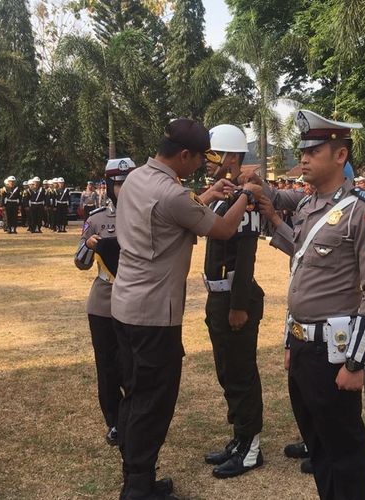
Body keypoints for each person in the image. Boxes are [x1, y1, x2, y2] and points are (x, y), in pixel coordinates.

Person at [110, 118, 264, 500]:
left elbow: (184, 214)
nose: (202, 166)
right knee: (153, 402)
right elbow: (225, 230)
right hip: (154, 314)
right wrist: (247, 192)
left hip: (126, 305)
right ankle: (138, 487)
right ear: (183, 154)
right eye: (198, 160)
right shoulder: (173, 193)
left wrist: (211, 193)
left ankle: (137, 474)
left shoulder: (139, 179)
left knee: (134, 394)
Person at [261, 109, 365, 500]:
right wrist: (289, 339)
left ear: (340, 156)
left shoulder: (362, 209)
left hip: (334, 353)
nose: (304, 158)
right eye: (303, 150)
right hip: (303, 346)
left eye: (314, 150)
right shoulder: (307, 206)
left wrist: (354, 363)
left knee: (345, 452)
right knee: (317, 446)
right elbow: (301, 269)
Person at [200, 124, 266, 479]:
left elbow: (245, 256)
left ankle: (250, 446)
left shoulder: (247, 198)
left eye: (213, 157)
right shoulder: (226, 195)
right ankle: (239, 437)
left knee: (241, 373)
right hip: (218, 297)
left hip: (234, 299)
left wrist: (239, 305)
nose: (206, 163)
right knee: (227, 372)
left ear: (232, 158)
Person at [75, 158, 137, 450]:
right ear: (110, 186)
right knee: (108, 367)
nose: (122, 188)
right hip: (103, 303)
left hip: (137, 303)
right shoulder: (98, 218)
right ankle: (114, 422)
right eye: (117, 182)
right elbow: (80, 262)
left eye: (127, 181)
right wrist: (88, 246)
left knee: (132, 365)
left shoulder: (144, 214)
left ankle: (133, 418)